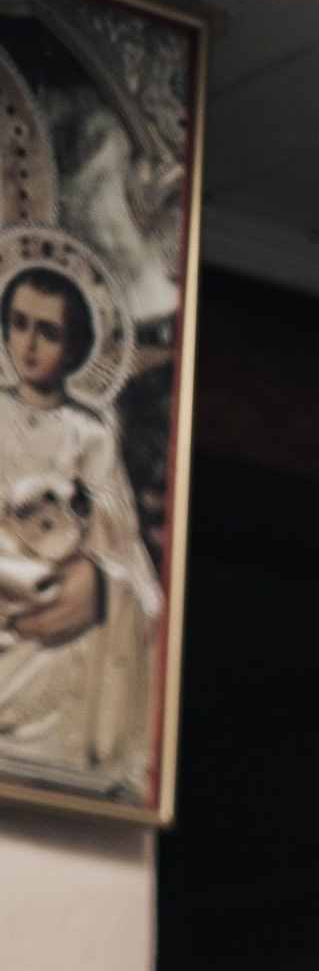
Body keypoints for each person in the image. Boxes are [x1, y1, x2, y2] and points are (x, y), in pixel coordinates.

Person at [0, 257, 157, 795]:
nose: (29, 344)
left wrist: (100, 581)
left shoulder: (88, 435)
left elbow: (120, 547)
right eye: (18, 323)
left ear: (73, 347)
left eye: (47, 331)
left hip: (53, 593)